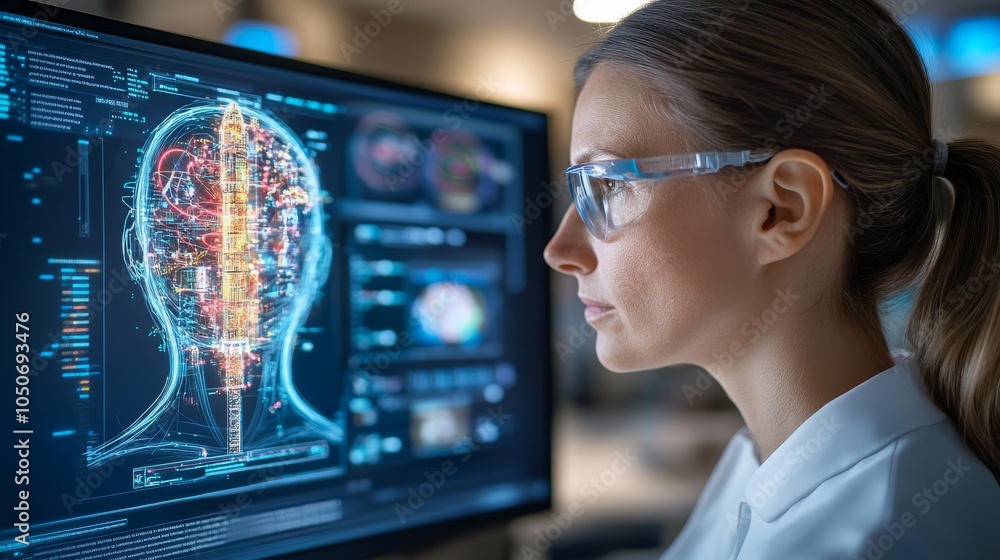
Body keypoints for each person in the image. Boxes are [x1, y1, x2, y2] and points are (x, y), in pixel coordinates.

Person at [542, 0, 1000, 558]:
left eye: (607, 186)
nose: (559, 250)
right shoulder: (767, 455)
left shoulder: (878, 538)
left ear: (781, 209)